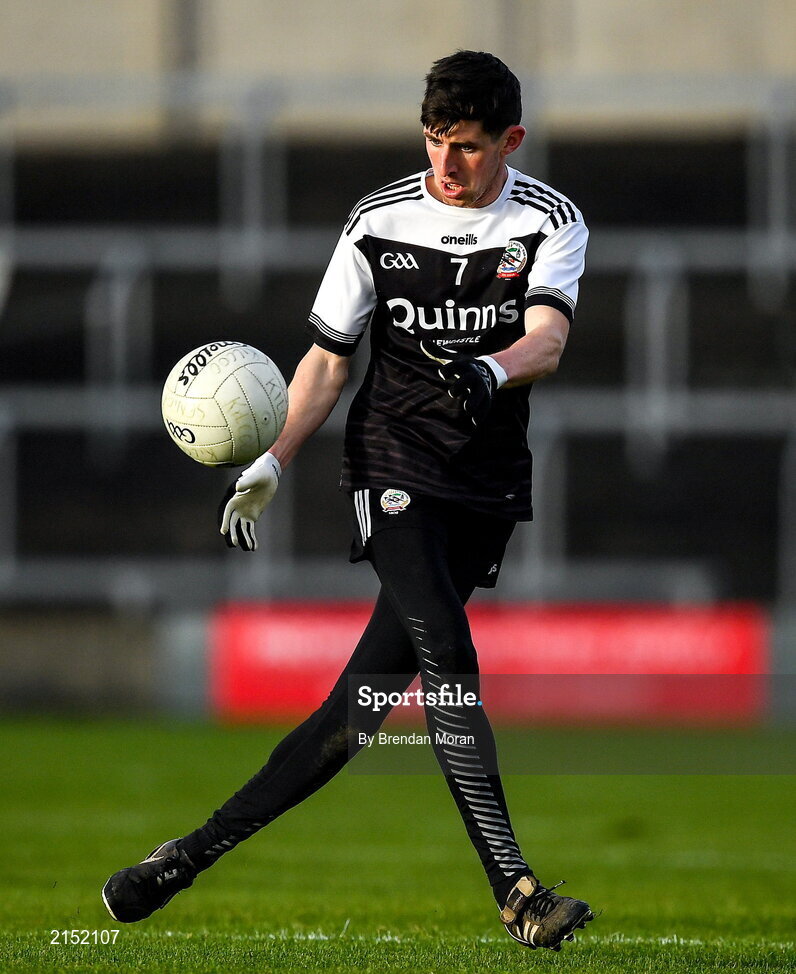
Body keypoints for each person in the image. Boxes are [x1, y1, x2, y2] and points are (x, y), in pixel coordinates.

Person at [102, 50, 594, 952]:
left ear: (511, 141)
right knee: (447, 649)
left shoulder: (549, 221)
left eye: (470, 148)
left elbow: (548, 340)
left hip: (483, 486)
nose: (447, 166)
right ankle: (518, 892)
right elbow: (329, 363)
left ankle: (183, 857)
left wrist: (492, 368)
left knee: (354, 715)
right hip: (392, 465)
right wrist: (277, 461)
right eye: (436, 142)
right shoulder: (376, 220)